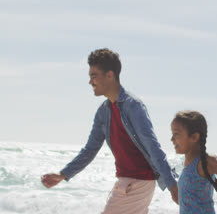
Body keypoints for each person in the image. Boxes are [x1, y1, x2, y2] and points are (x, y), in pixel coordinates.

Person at [41, 48, 178, 214]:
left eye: (94, 76)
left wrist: (172, 185)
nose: (90, 82)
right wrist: (63, 174)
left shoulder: (133, 106)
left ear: (110, 75)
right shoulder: (103, 112)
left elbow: (152, 146)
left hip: (137, 182)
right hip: (128, 181)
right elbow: (90, 150)